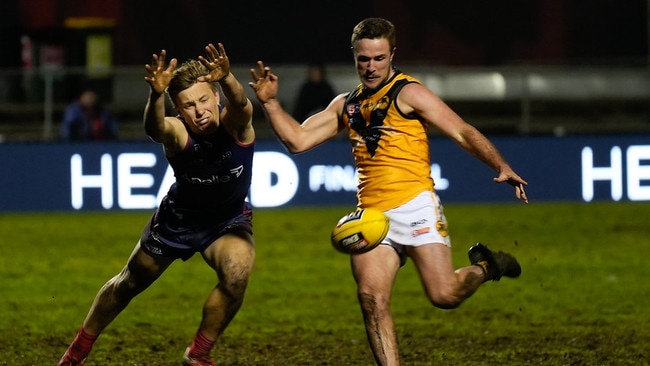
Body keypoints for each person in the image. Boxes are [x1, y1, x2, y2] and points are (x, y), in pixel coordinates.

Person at [249, 18, 528, 366]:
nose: (371, 67)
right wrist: (271, 104)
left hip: (416, 205)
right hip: (372, 219)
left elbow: (461, 131)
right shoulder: (346, 104)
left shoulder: (409, 92)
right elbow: (298, 139)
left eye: (379, 58)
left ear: (392, 54)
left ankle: (487, 266)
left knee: (444, 295)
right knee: (370, 299)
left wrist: (500, 165)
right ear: (354, 57)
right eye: (364, 59)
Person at [57, 42, 255, 366]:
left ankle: (199, 353)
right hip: (178, 220)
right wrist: (155, 95)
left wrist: (228, 77)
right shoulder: (178, 132)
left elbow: (243, 106)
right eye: (189, 105)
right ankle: (77, 351)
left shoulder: (235, 123)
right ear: (179, 109)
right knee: (127, 284)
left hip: (225, 221)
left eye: (204, 99)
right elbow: (155, 128)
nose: (199, 110)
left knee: (238, 272)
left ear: (216, 97)